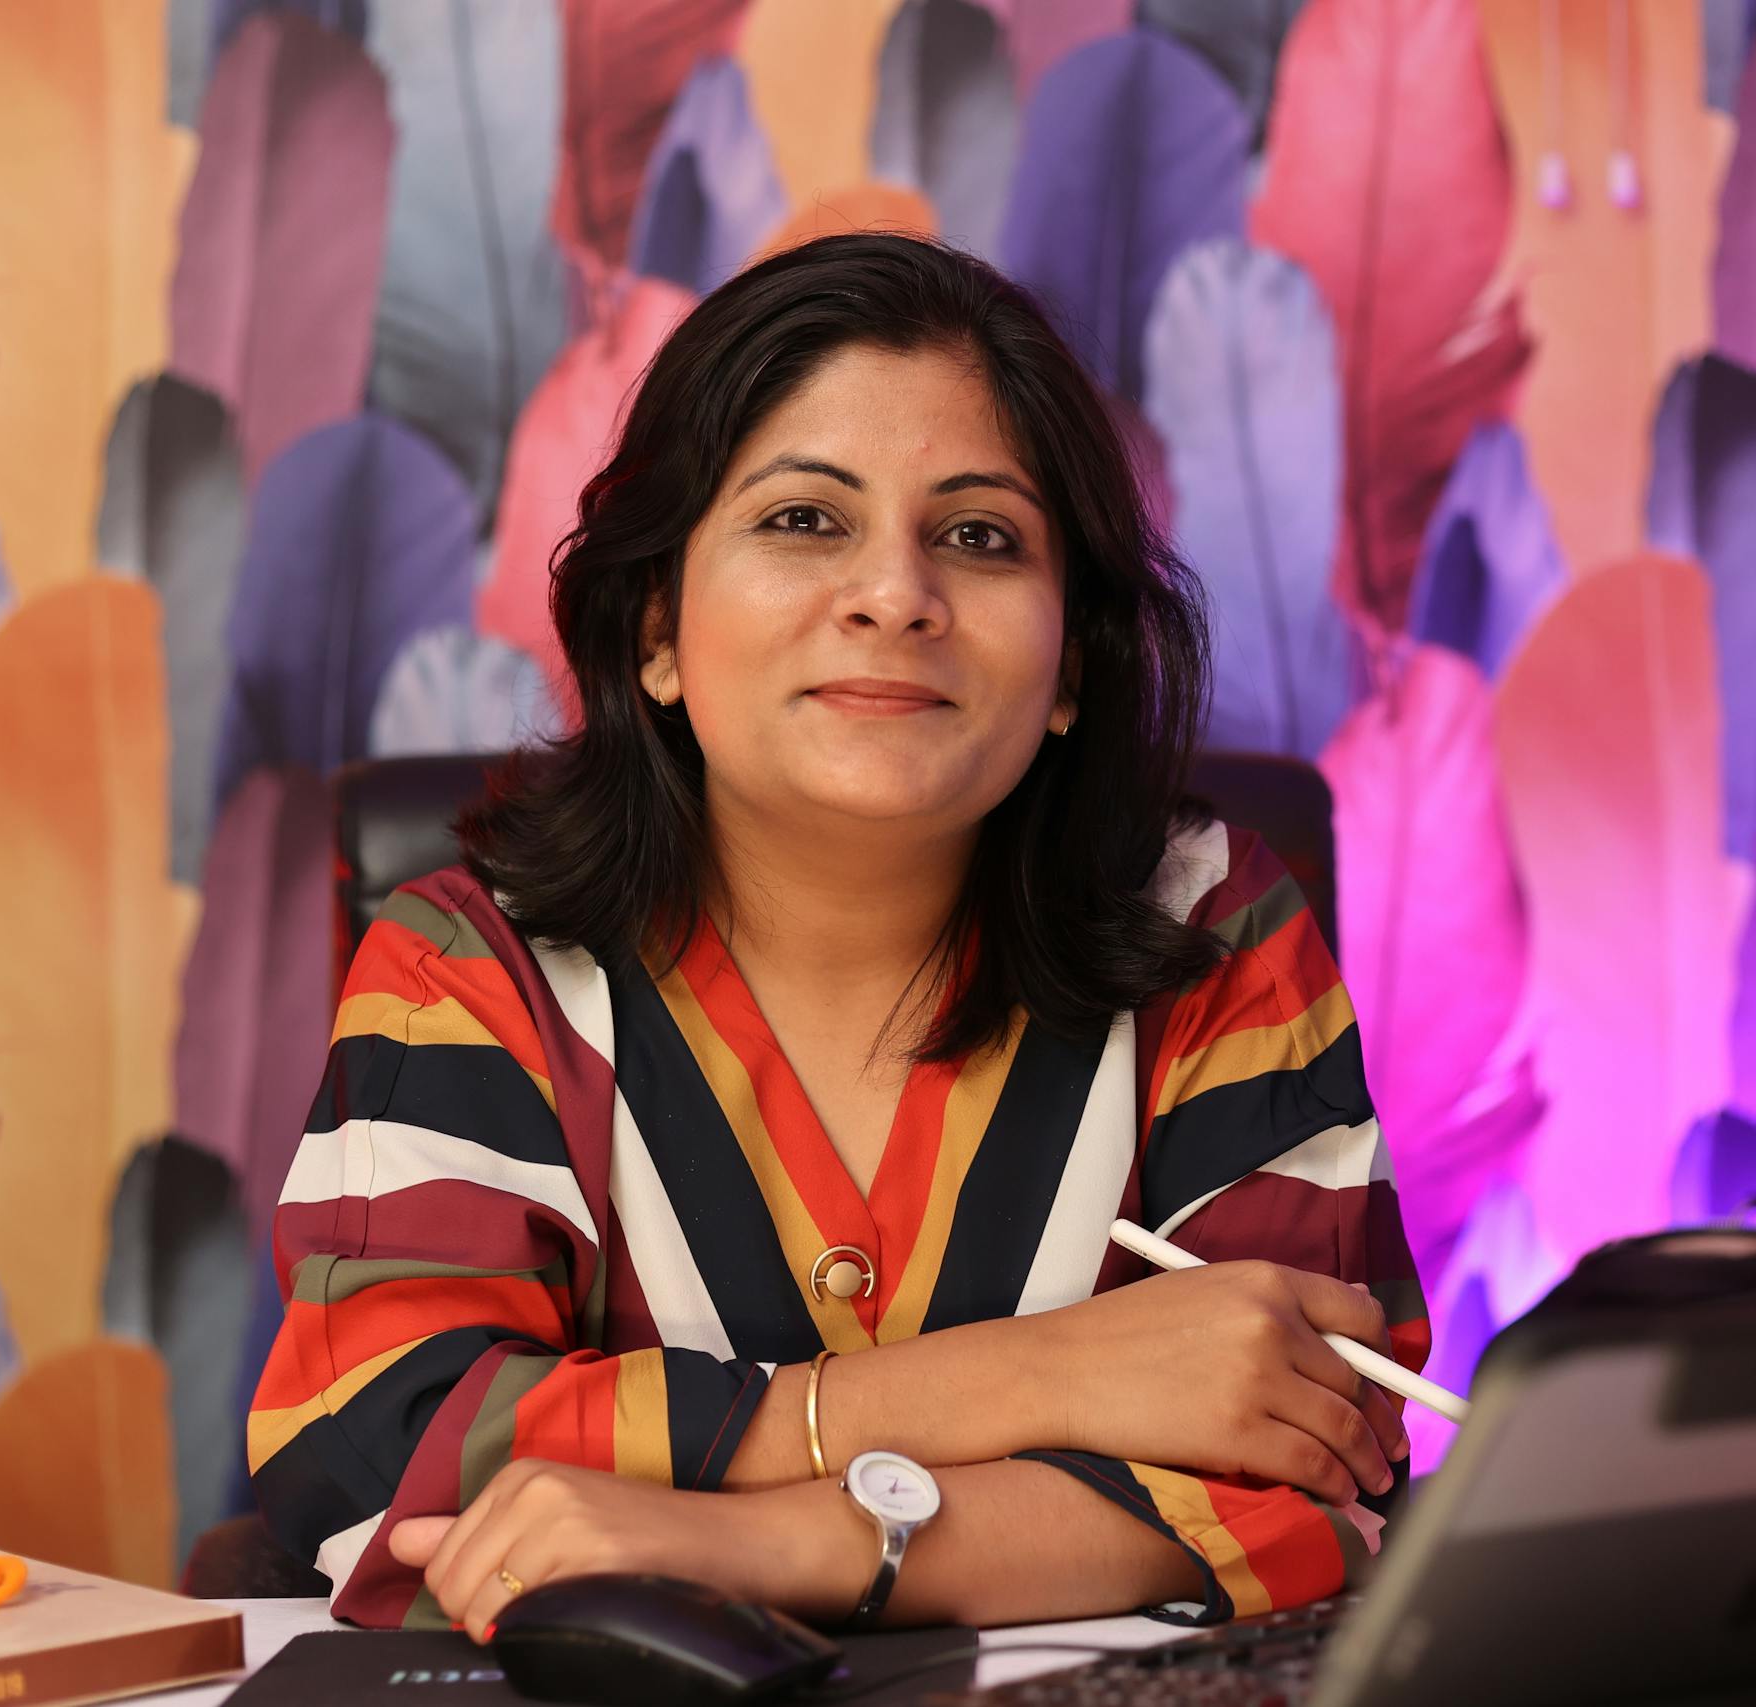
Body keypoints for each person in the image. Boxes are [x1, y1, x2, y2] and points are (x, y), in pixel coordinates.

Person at [247, 233, 1428, 1641]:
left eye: (980, 537)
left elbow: (1324, 1461)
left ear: (1070, 664)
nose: (895, 595)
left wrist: (764, 1542)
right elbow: (385, 1460)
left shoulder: (1211, 930)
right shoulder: (472, 966)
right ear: (657, 631)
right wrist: (1046, 1378)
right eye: (805, 519)